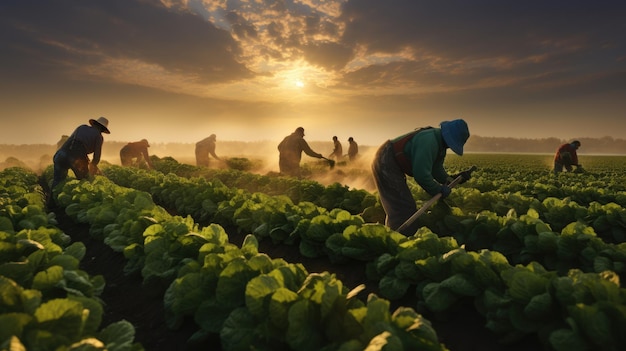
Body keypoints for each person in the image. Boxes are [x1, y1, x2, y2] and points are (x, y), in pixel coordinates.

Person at [371, 119, 471, 236]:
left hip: (391, 161)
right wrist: (437, 190)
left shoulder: (439, 144)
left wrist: (450, 179)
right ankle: (400, 240)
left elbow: (436, 169)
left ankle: (395, 236)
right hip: (386, 160)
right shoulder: (429, 141)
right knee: (403, 206)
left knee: (401, 205)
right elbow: (421, 175)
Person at [52, 116, 110, 191]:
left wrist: (86, 159)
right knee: (85, 182)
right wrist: (93, 165)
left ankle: (52, 202)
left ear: (94, 124)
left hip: (60, 154)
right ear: (102, 129)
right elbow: (96, 156)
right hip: (75, 159)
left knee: (57, 182)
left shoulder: (82, 127)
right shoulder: (98, 137)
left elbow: (75, 143)